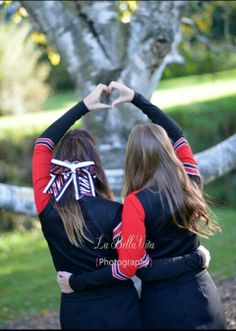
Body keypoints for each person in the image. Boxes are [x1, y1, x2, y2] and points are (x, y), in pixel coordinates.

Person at [32, 84, 208, 330]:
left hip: (76, 311)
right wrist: (137, 99)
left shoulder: (45, 204)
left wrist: (83, 106)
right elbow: (128, 268)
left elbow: (43, 143)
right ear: (95, 164)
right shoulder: (116, 212)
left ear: (57, 165)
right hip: (124, 310)